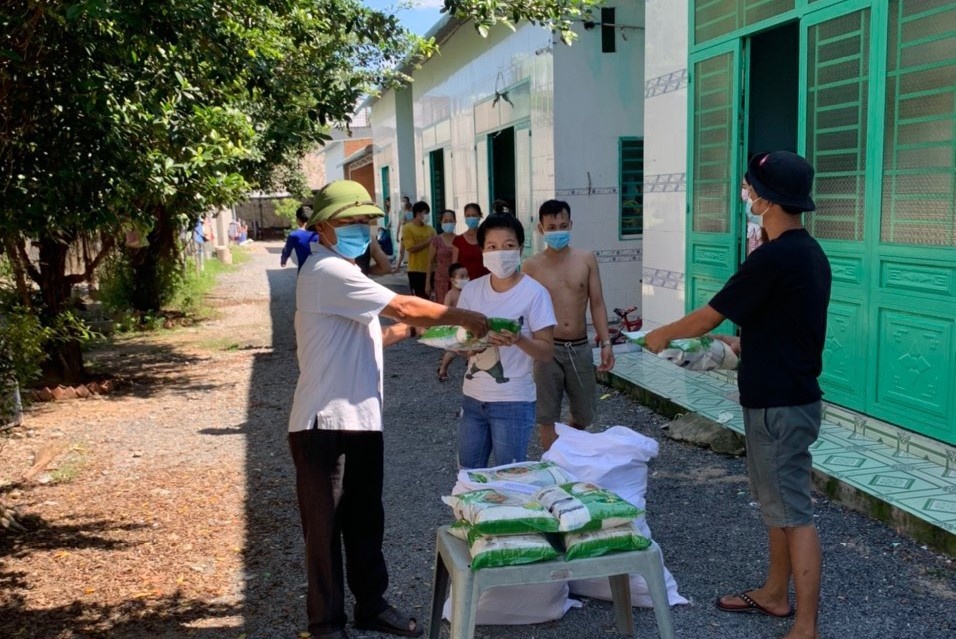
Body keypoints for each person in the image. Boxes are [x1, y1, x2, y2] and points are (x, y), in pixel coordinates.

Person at [288, 180, 488, 639]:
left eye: (367, 221)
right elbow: (402, 304)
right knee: (324, 531)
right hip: (323, 423)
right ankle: (326, 624)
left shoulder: (342, 271)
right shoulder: (326, 270)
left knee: (365, 522)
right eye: (352, 221)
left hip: (360, 421)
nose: (362, 229)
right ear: (323, 226)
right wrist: (462, 316)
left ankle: (371, 607)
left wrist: (417, 332)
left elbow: (369, 335)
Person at [644, 151, 831, 639]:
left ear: (767, 199)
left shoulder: (773, 257)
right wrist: (742, 344)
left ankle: (805, 626)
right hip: (785, 397)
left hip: (779, 406)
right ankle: (774, 593)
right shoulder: (808, 252)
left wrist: (660, 333)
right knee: (776, 506)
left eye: (749, 187)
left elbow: (708, 316)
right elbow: (789, 324)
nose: (745, 194)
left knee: (794, 514)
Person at [455, 213, 556, 469]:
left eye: (508, 245)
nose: (500, 252)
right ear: (483, 251)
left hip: (514, 401)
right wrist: (465, 347)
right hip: (473, 398)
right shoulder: (471, 290)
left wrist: (519, 339)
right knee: (469, 473)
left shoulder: (535, 293)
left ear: (520, 249)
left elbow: (546, 352)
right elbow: (462, 343)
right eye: (492, 246)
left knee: (509, 475)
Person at [522, 200, 615, 451]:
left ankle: (567, 449)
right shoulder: (531, 266)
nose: (558, 231)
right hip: (546, 349)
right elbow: (521, 310)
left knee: (585, 414)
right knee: (546, 416)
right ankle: (553, 463)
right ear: (541, 229)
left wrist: (606, 343)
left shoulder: (586, 259)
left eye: (563, 226)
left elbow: (597, 303)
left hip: (579, 346)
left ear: (571, 224)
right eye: (552, 227)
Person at [436, 263, 469, 382]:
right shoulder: (451, 295)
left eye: (467, 276)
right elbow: (446, 312)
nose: (465, 279)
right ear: (453, 280)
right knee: (452, 352)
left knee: (472, 349)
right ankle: (443, 368)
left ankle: (472, 371)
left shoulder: (469, 292)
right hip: (454, 328)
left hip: (467, 326)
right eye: (462, 276)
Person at [400, 201, 435, 299]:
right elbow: (411, 248)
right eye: (425, 213)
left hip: (431, 270)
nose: (427, 216)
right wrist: (428, 241)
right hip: (416, 270)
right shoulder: (408, 228)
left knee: (430, 300)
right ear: (418, 214)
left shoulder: (430, 229)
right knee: (419, 299)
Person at [451, 203, 489, 280]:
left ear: (480, 216)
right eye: (468, 216)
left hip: (485, 281)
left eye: (474, 215)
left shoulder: (488, 238)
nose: (471, 218)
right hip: (465, 282)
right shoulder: (458, 240)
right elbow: (454, 267)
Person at [425, 209, 456, 303]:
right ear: (441, 222)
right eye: (445, 221)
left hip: (457, 280)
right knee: (442, 307)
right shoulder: (436, 240)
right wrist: (427, 283)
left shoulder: (459, 240)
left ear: (455, 222)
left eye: (451, 221)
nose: (448, 223)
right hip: (440, 281)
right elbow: (430, 263)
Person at [281, 205, 319, 272]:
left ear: (298, 220)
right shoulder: (319, 233)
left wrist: (283, 260)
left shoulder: (294, 235)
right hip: (320, 271)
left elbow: (286, 250)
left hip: (304, 272)